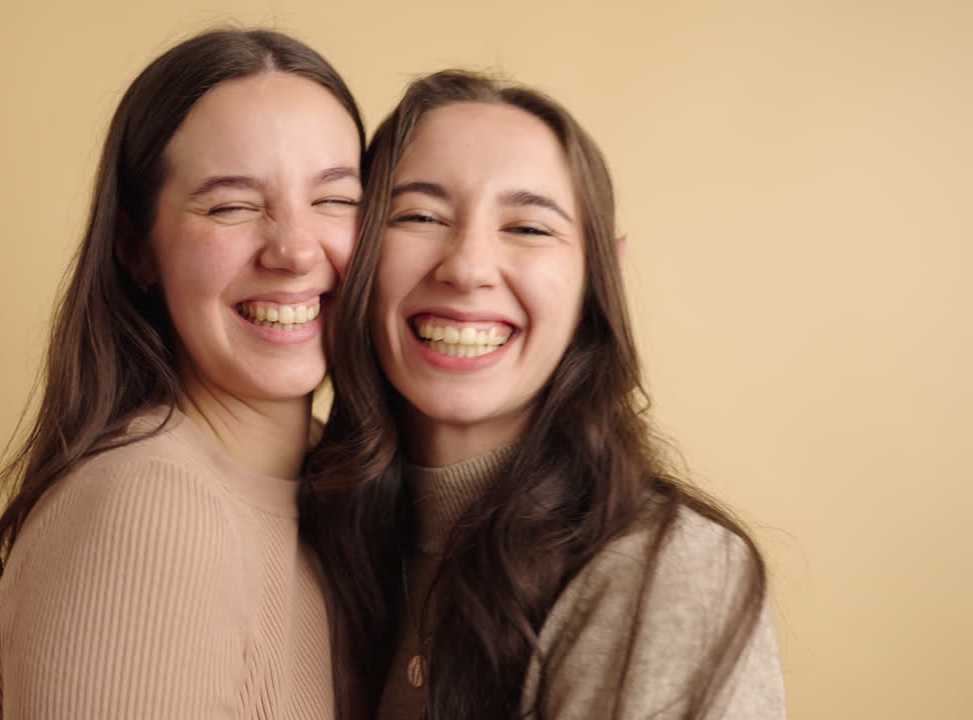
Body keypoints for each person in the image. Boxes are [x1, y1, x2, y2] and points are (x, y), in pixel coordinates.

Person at [304, 70, 785, 719]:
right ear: (355, 252)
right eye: (419, 215)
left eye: (529, 228)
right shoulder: (319, 540)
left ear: (599, 275)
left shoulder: (669, 574)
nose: (467, 267)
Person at [0, 29, 364, 719]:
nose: (295, 249)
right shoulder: (149, 511)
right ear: (136, 249)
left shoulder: (338, 491)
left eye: (335, 200)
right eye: (231, 205)